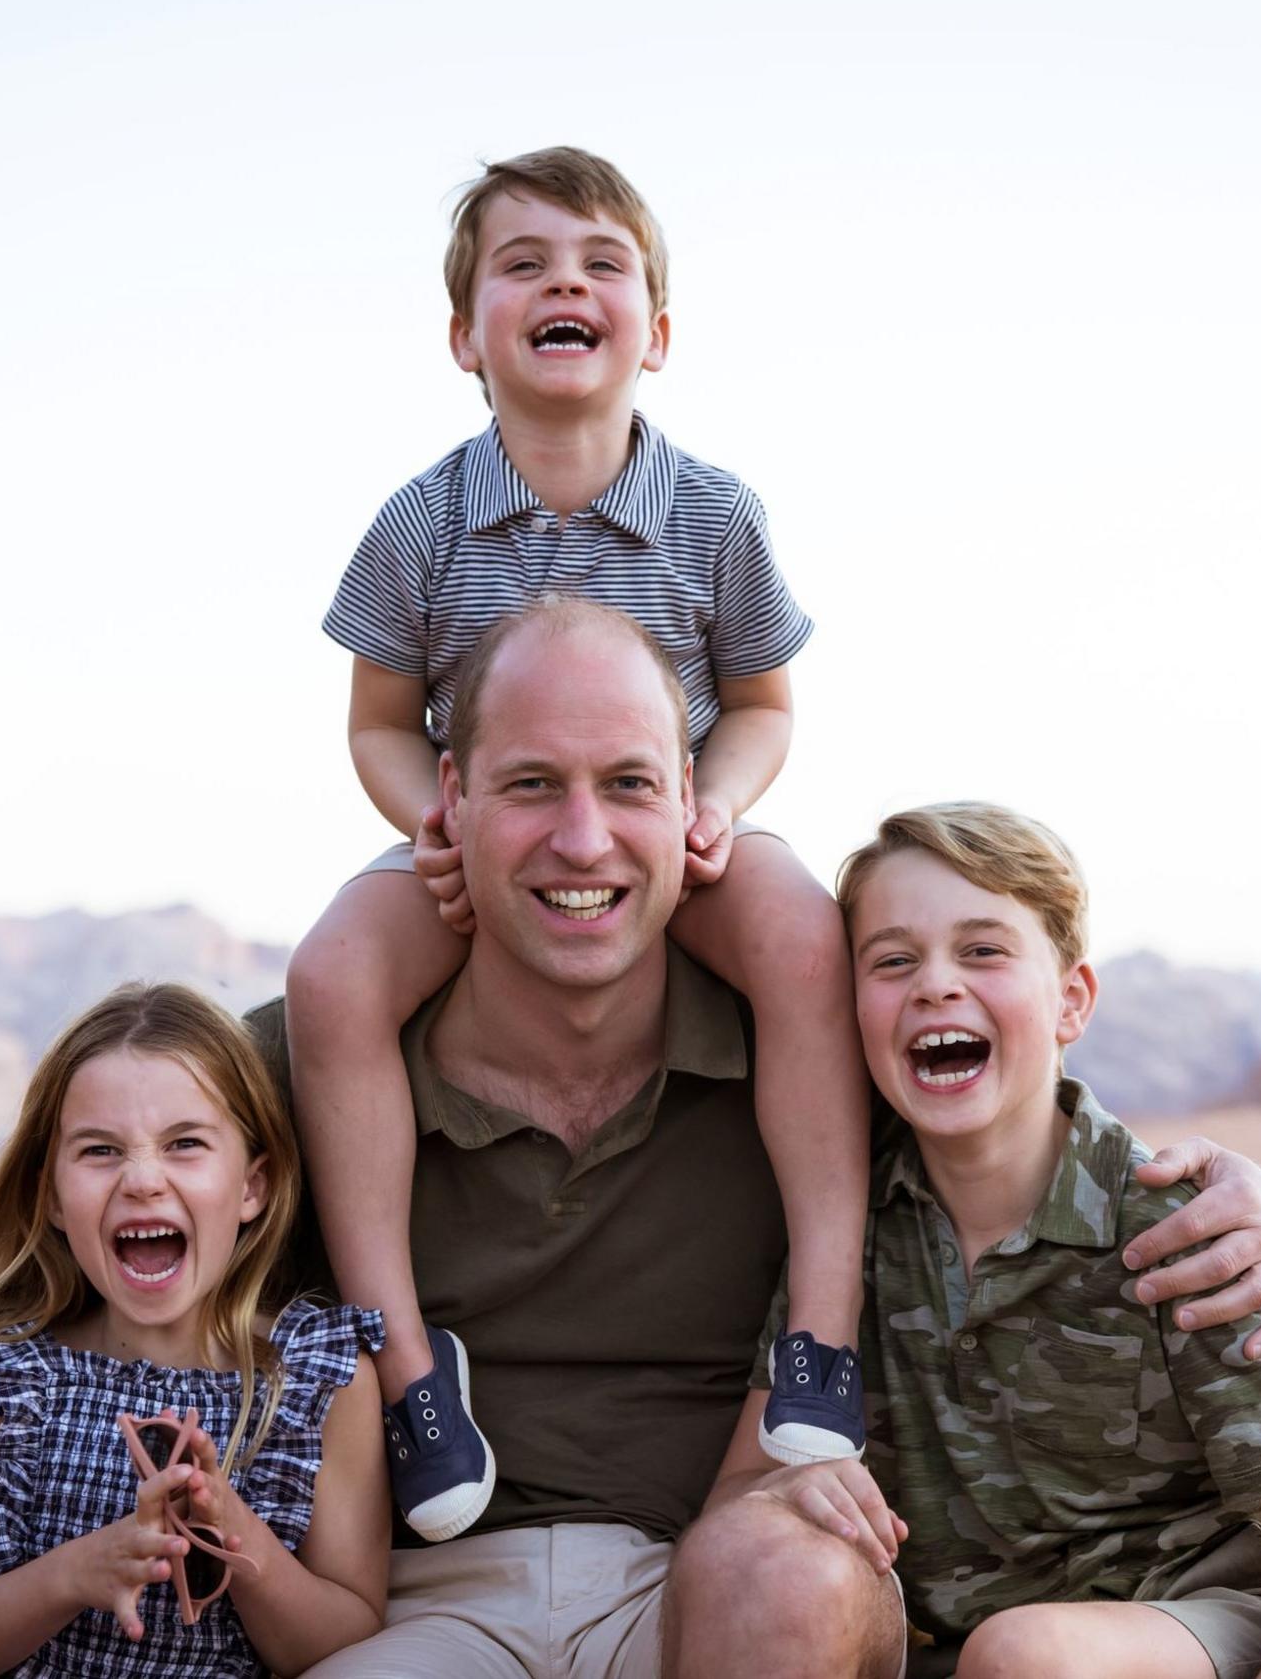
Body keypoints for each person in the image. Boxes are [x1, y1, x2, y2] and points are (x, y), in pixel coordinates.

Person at [0, 601, 1261, 1679]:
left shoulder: (809, 1064)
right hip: (422, 1602)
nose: (584, 840)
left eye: (628, 785)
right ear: (448, 808)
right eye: (531, 784)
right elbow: (62, 1323)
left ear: (695, 813)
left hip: (719, 1584)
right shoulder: (302, 1083)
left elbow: (1010, 1116)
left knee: (790, 1567)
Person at [287, 144, 874, 1542]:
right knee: (329, 977)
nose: (567, 281)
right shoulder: (423, 521)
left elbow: (765, 701)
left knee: (802, 931)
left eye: (603, 262)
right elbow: (375, 720)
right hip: (488, 842)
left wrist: (714, 801)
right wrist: (423, 818)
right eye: (526, 264)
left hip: (671, 831)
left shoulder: (713, 514)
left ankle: (826, 1330)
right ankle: (411, 1369)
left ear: (655, 333)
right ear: (464, 333)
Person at [799, 804, 1261, 1678]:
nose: (935, 984)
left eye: (983, 950)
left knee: (1025, 1653)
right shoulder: (844, 1222)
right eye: (893, 960)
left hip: (1210, 1625)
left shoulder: (1176, 1232)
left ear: (1072, 1000)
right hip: (977, 1652)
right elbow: (758, 1479)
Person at [0, 982, 392, 1678]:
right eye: (100, 1150)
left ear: (251, 1187)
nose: (143, 1178)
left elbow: (343, 1642)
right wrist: (74, 1573)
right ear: (51, 1195)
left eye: (185, 1143)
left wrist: (226, 1525)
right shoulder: (5, 1381)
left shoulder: (319, 1378)